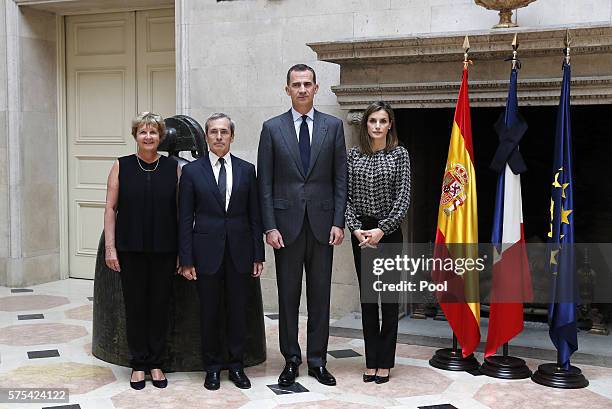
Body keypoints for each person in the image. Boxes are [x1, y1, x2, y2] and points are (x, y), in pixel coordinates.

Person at [257, 64, 347, 387]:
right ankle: (291, 360)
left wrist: (339, 221)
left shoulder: (333, 127)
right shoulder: (272, 129)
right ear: (287, 90)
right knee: (288, 297)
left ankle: (318, 361)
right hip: (285, 228)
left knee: (320, 296)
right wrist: (269, 226)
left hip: (324, 226)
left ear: (316, 87)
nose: (302, 89)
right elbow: (263, 184)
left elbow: (341, 179)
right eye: (296, 84)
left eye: (307, 84)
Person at [178, 113, 265, 391]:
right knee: (210, 312)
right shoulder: (192, 172)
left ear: (232, 136)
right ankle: (213, 367)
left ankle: (236, 366)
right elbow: (184, 218)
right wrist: (187, 258)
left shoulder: (246, 170)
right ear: (206, 137)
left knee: (238, 311)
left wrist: (257, 254)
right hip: (206, 254)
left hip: (240, 253)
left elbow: (255, 216)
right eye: (213, 132)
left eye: (224, 132)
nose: (218, 136)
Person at [104, 112, 180, 390]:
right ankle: (138, 364)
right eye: (143, 132)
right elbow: (110, 208)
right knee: (135, 307)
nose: (148, 137)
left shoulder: (173, 167)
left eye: (153, 132)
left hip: (165, 249)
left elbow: (181, 212)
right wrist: (110, 248)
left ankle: (156, 363)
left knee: (160, 307)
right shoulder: (121, 166)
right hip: (129, 249)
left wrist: (182, 251)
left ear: (161, 137)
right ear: (135, 136)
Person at [345, 101, 411, 384]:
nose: (377, 126)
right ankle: (371, 361)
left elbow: (403, 198)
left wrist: (382, 230)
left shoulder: (399, 155)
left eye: (383, 121)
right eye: (373, 121)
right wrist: (357, 229)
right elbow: (343, 196)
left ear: (390, 125)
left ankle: (385, 362)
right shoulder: (352, 156)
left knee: (389, 302)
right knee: (369, 300)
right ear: (365, 124)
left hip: (389, 233)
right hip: (361, 234)